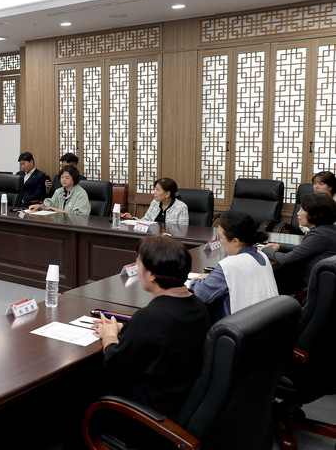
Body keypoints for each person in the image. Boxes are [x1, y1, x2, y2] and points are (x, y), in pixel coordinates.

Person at [93, 235, 210, 419]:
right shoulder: (198, 305)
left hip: (150, 414)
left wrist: (109, 336)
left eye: (138, 264)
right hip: (180, 400)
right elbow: (164, 336)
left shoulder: (150, 317)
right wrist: (127, 330)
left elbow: (115, 364)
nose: (137, 269)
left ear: (152, 274)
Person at [189, 211, 278, 322]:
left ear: (235, 241)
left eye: (220, 237)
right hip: (266, 324)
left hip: (241, 326)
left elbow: (202, 294)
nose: (219, 241)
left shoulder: (230, 265)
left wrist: (195, 281)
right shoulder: (262, 256)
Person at [261, 193, 336, 293]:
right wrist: (279, 246)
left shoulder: (318, 235)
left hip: (311, 288)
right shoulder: (329, 230)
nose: (298, 213)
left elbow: (286, 259)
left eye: (302, 209)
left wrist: (266, 249)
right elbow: (304, 248)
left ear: (316, 213)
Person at [121, 177, 189, 225]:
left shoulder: (181, 207)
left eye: (157, 190)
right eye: (155, 189)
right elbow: (146, 220)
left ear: (167, 194)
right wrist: (132, 219)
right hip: (153, 237)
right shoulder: (155, 202)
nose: (154, 192)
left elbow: (183, 230)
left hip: (170, 239)